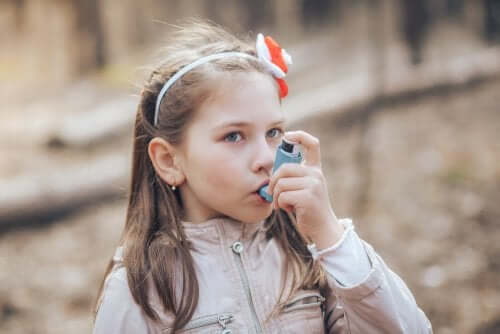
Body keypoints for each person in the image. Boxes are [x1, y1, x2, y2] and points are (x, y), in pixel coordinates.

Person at [92, 19, 432, 333]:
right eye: (233, 136)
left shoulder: (308, 256)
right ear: (169, 160)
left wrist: (330, 234)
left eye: (273, 132)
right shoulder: (141, 288)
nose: (266, 159)